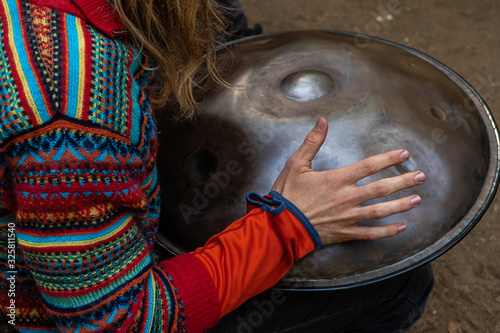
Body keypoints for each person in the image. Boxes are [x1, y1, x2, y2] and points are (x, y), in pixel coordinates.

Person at [0, 0, 433, 332]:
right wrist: (286, 227)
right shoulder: (74, 109)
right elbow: (116, 323)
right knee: (397, 284)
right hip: (25, 308)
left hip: (36, 257)